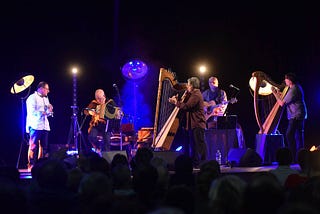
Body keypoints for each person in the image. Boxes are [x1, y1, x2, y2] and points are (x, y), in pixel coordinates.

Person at [169, 77, 207, 168]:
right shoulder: (192, 94)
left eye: (189, 84)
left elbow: (187, 106)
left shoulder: (196, 95)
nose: (187, 86)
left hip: (197, 124)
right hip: (193, 124)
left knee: (199, 145)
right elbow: (185, 104)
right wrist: (177, 101)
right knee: (194, 145)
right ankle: (196, 164)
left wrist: (176, 102)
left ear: (192, 85)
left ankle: (202, 164)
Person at [272, 73, 307, 162]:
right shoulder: (294, 87)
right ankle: (299, 158)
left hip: (296, 115)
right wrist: (278, 94)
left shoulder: (294, 89)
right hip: (299, 114)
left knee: (289, 134)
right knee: (298, 136)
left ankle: (293, 156)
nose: (285, 81)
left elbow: (281, 103)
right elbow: (285, 99)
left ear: (290, 81)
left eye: (286, 79)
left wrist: (274, 93)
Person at [84, 89, 122, 156]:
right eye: (97, 99)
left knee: (107, 142)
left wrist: (118, 114)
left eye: (100, 98)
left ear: (104, 96)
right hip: (96, 124)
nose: (99, 101)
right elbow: (85, 111)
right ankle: (99, 147)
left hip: (107, 125)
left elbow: (116, 111)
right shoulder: (94, 103)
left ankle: (107, 158)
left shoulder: (110, 102)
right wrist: (90, 112)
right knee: (91, 137)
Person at [26, 81, 53, 171]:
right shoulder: (32, 98)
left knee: (44, 146)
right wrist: (43, 112)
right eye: (47, 89)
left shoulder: (46, 98)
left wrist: (50, 110)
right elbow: (32, 112)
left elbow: (48, 113)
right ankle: (31, 165)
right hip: (35, 125)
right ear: (41, 88)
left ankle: (40, 166)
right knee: (33, 146)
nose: (48, 91)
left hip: (44, 125)